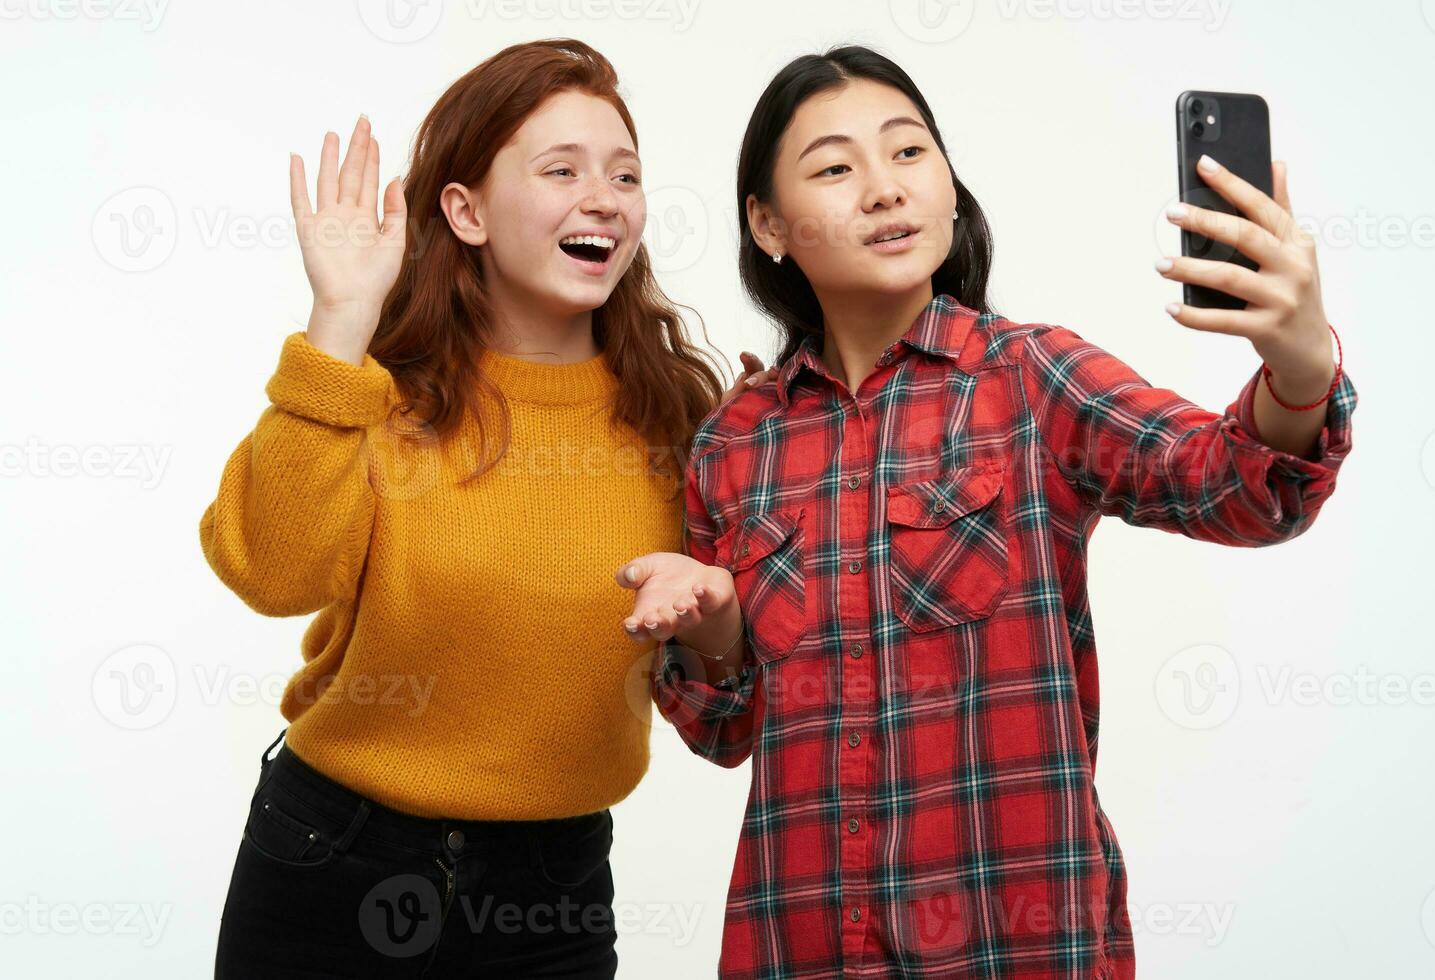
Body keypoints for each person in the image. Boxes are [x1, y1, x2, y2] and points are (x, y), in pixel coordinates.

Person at [616, 45, 1355, 978]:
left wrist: (1299, 366)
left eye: (910, 153)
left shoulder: (1028, 378)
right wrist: (716, 624)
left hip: (1016, 946)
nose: (885, 190)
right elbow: (727, 732)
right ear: (766, 223)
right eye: (837, 168)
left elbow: (1237, 487)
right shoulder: (734, 444)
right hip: (793, 946)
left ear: (951, 190)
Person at [202, 38, 770, 978]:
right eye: (562, 170)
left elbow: (728, 700)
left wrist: (717, 624)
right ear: (465, 210)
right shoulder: (377, 391)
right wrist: (339, 322)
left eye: (625, 176)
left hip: (552, 897)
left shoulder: (680, 419)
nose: (605, 198)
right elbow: (270, 573)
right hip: (330, 861)